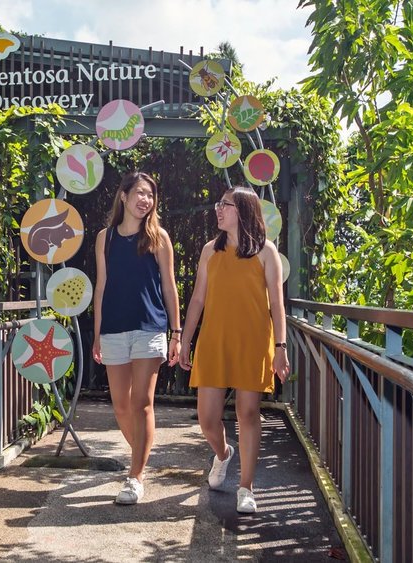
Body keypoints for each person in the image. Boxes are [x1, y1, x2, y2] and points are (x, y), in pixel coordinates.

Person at [178, 186, 290, 514]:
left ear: (242, 210)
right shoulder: (209, 250)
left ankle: (246, 487)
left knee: (248, 413)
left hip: (254, 341)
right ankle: (223, 454)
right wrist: (185, 340)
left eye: (224, 205)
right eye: (218, 204)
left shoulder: (266, 251)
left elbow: (277, 304)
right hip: (214, 340)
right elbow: (198, 299)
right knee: (207, 419)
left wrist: (280, 348)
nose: (218, 209)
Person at [92, 171, 182, 505]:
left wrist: (176, 333)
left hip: (149, 327)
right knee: (120, 406)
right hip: (113, 328)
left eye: (151, 195)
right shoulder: (105, 238)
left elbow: (169, 287)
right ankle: (140, 456)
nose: (146, 200)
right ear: (124, 196)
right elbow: (101, 287)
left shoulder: (158, 237)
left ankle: (135, 476)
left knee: (142, 403)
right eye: (140, 193)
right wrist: (98, 333)